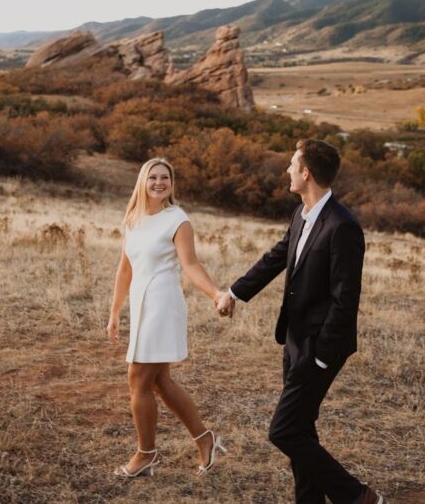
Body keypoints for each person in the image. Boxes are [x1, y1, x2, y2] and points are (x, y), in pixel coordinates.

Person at [217, 139, 384, 504]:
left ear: (306, 173)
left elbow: (345, 300)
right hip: (293, 340)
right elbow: (277, 256)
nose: (288, 170)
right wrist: (235, 292)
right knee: (300, 430)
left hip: (319, 347)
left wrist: (323, 354)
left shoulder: (342, 226)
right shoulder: (302, 214)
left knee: (284, 431)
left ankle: (357, 496)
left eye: (293, 165)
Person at [106, 157, 230, 477]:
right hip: (140, 303)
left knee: (138, 378)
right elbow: (125, 269)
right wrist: (115, 311)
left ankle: (145, 453)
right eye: (153, 177)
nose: (159, 183)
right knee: (160, 381)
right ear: (142, 182)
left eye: (165, 178)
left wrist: (216, 294)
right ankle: (205, 439)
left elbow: (190, 265)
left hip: (162, 304)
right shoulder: (133, 219)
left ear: (171, 184)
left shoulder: (178, 219)